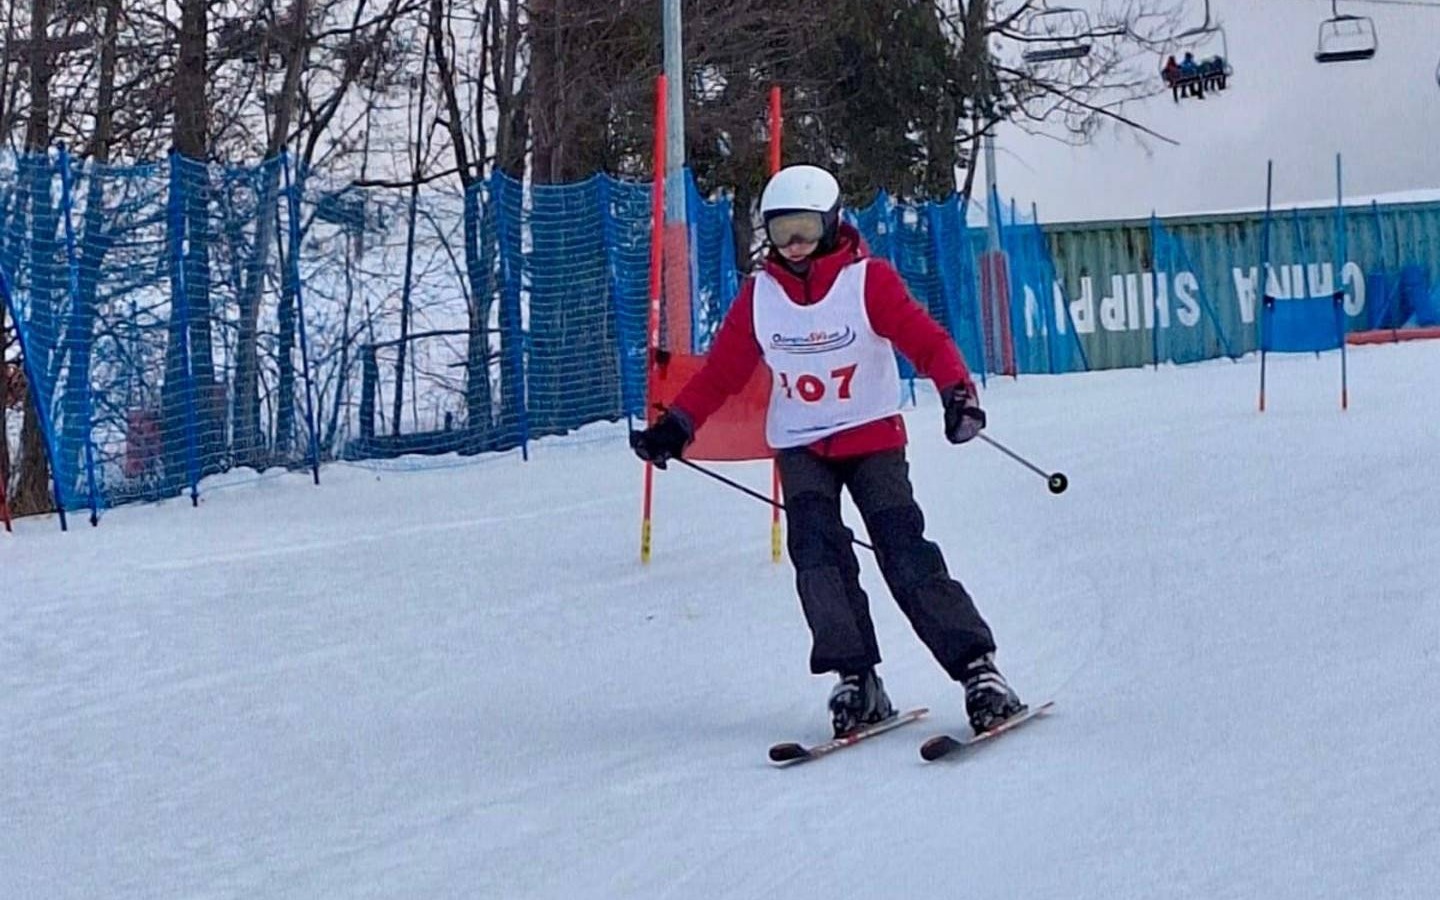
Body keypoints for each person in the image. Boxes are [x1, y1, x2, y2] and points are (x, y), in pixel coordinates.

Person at [629, 164, 1027, 739]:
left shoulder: (869, 281)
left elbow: (925, 338)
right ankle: (857, 677)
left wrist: (957, 393)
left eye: (806, 230)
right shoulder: (761, 296)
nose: (794, 245)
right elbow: (722, 373)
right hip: (801, 444)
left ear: (833, 223)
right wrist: (677, 426)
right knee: (817, 556)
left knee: (902, 550)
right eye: (782, 231)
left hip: (871, 436)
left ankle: (977, 671)